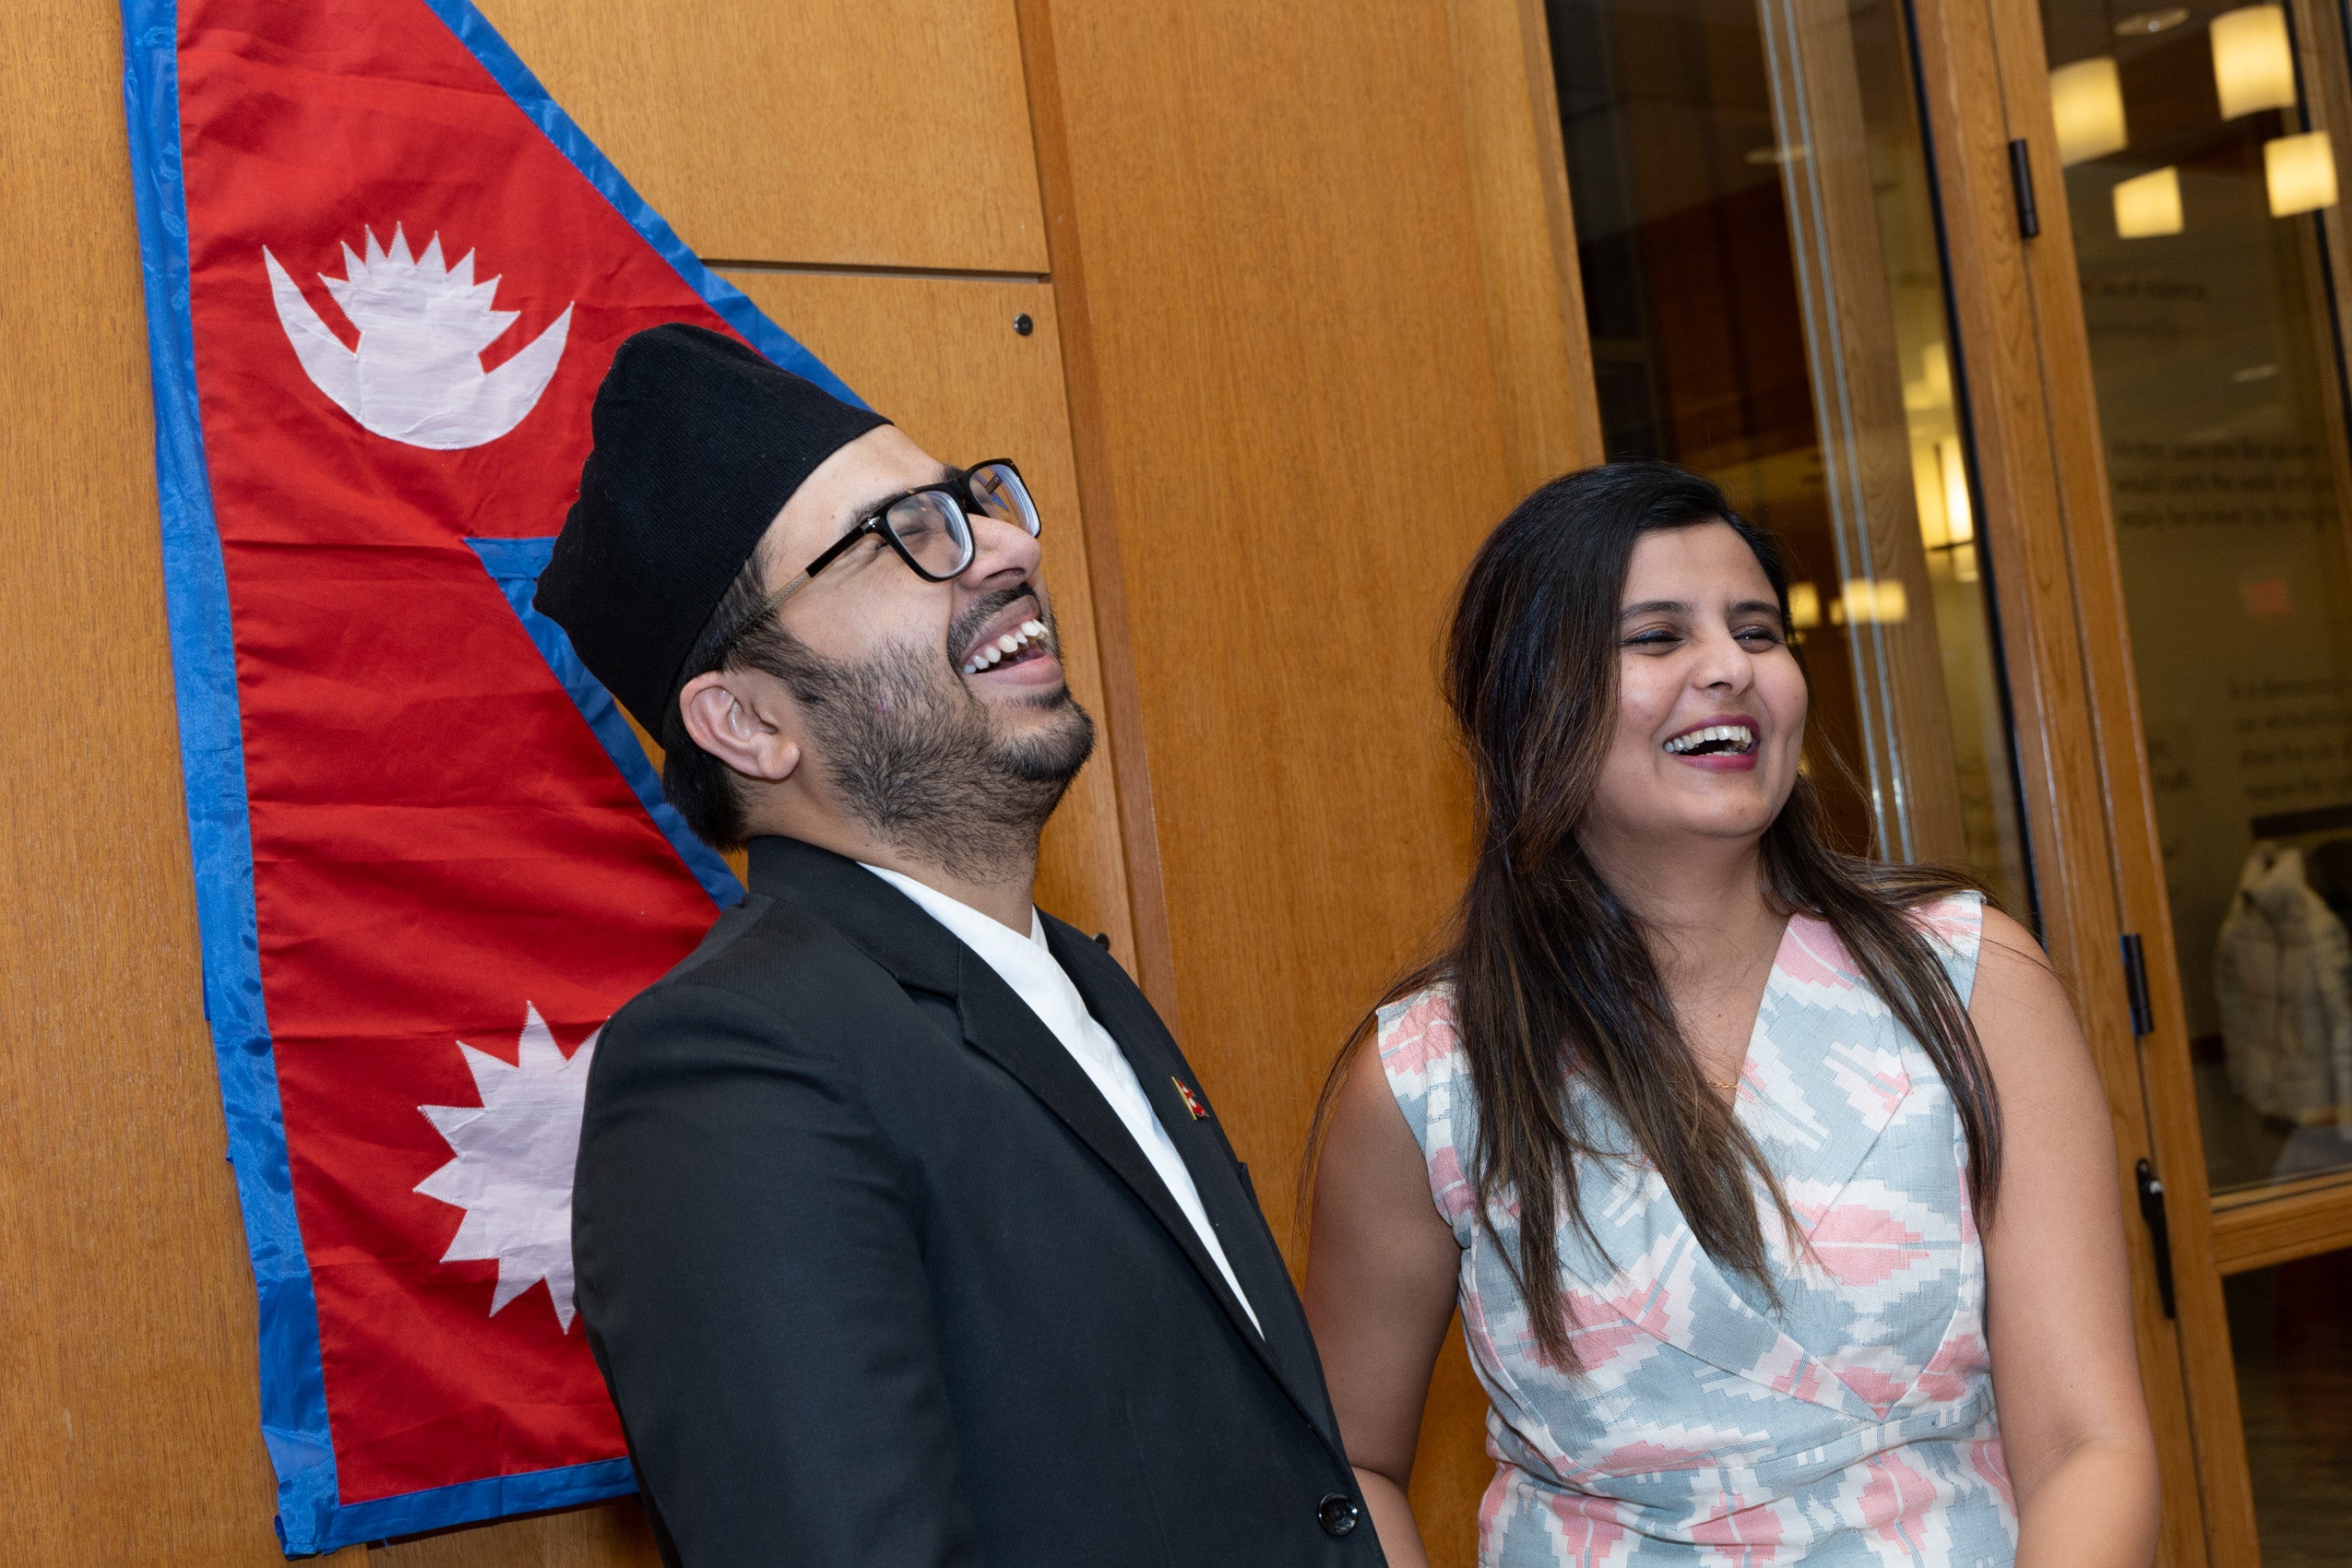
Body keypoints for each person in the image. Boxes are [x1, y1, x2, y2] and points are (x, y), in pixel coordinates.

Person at [537, 324, 1381, 1567]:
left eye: (976, 502)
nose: (1013, 547)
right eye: (904, 535)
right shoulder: (730, 1065)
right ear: (748, 722)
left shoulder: (1081, 985)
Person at [1301, 462, 2158, 1565]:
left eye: (1758, 631)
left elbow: (2090, 1443)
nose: (1730, 669)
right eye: (1657, 637)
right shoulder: (1427, 1078)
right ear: (1531, 704)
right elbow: (1348, 1461)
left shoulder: (1967, 980)